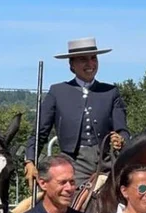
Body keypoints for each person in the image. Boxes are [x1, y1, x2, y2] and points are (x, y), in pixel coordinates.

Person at [24, 37, 130, 188]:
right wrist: (30, 161)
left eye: (93, 58)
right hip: (72, 165)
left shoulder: (110, 92)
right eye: (83, 60)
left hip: (107, 164)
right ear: (72, 65)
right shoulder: (57, 92)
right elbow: (39, 133)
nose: (90, 64)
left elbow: (123, 130)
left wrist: (121, 139)